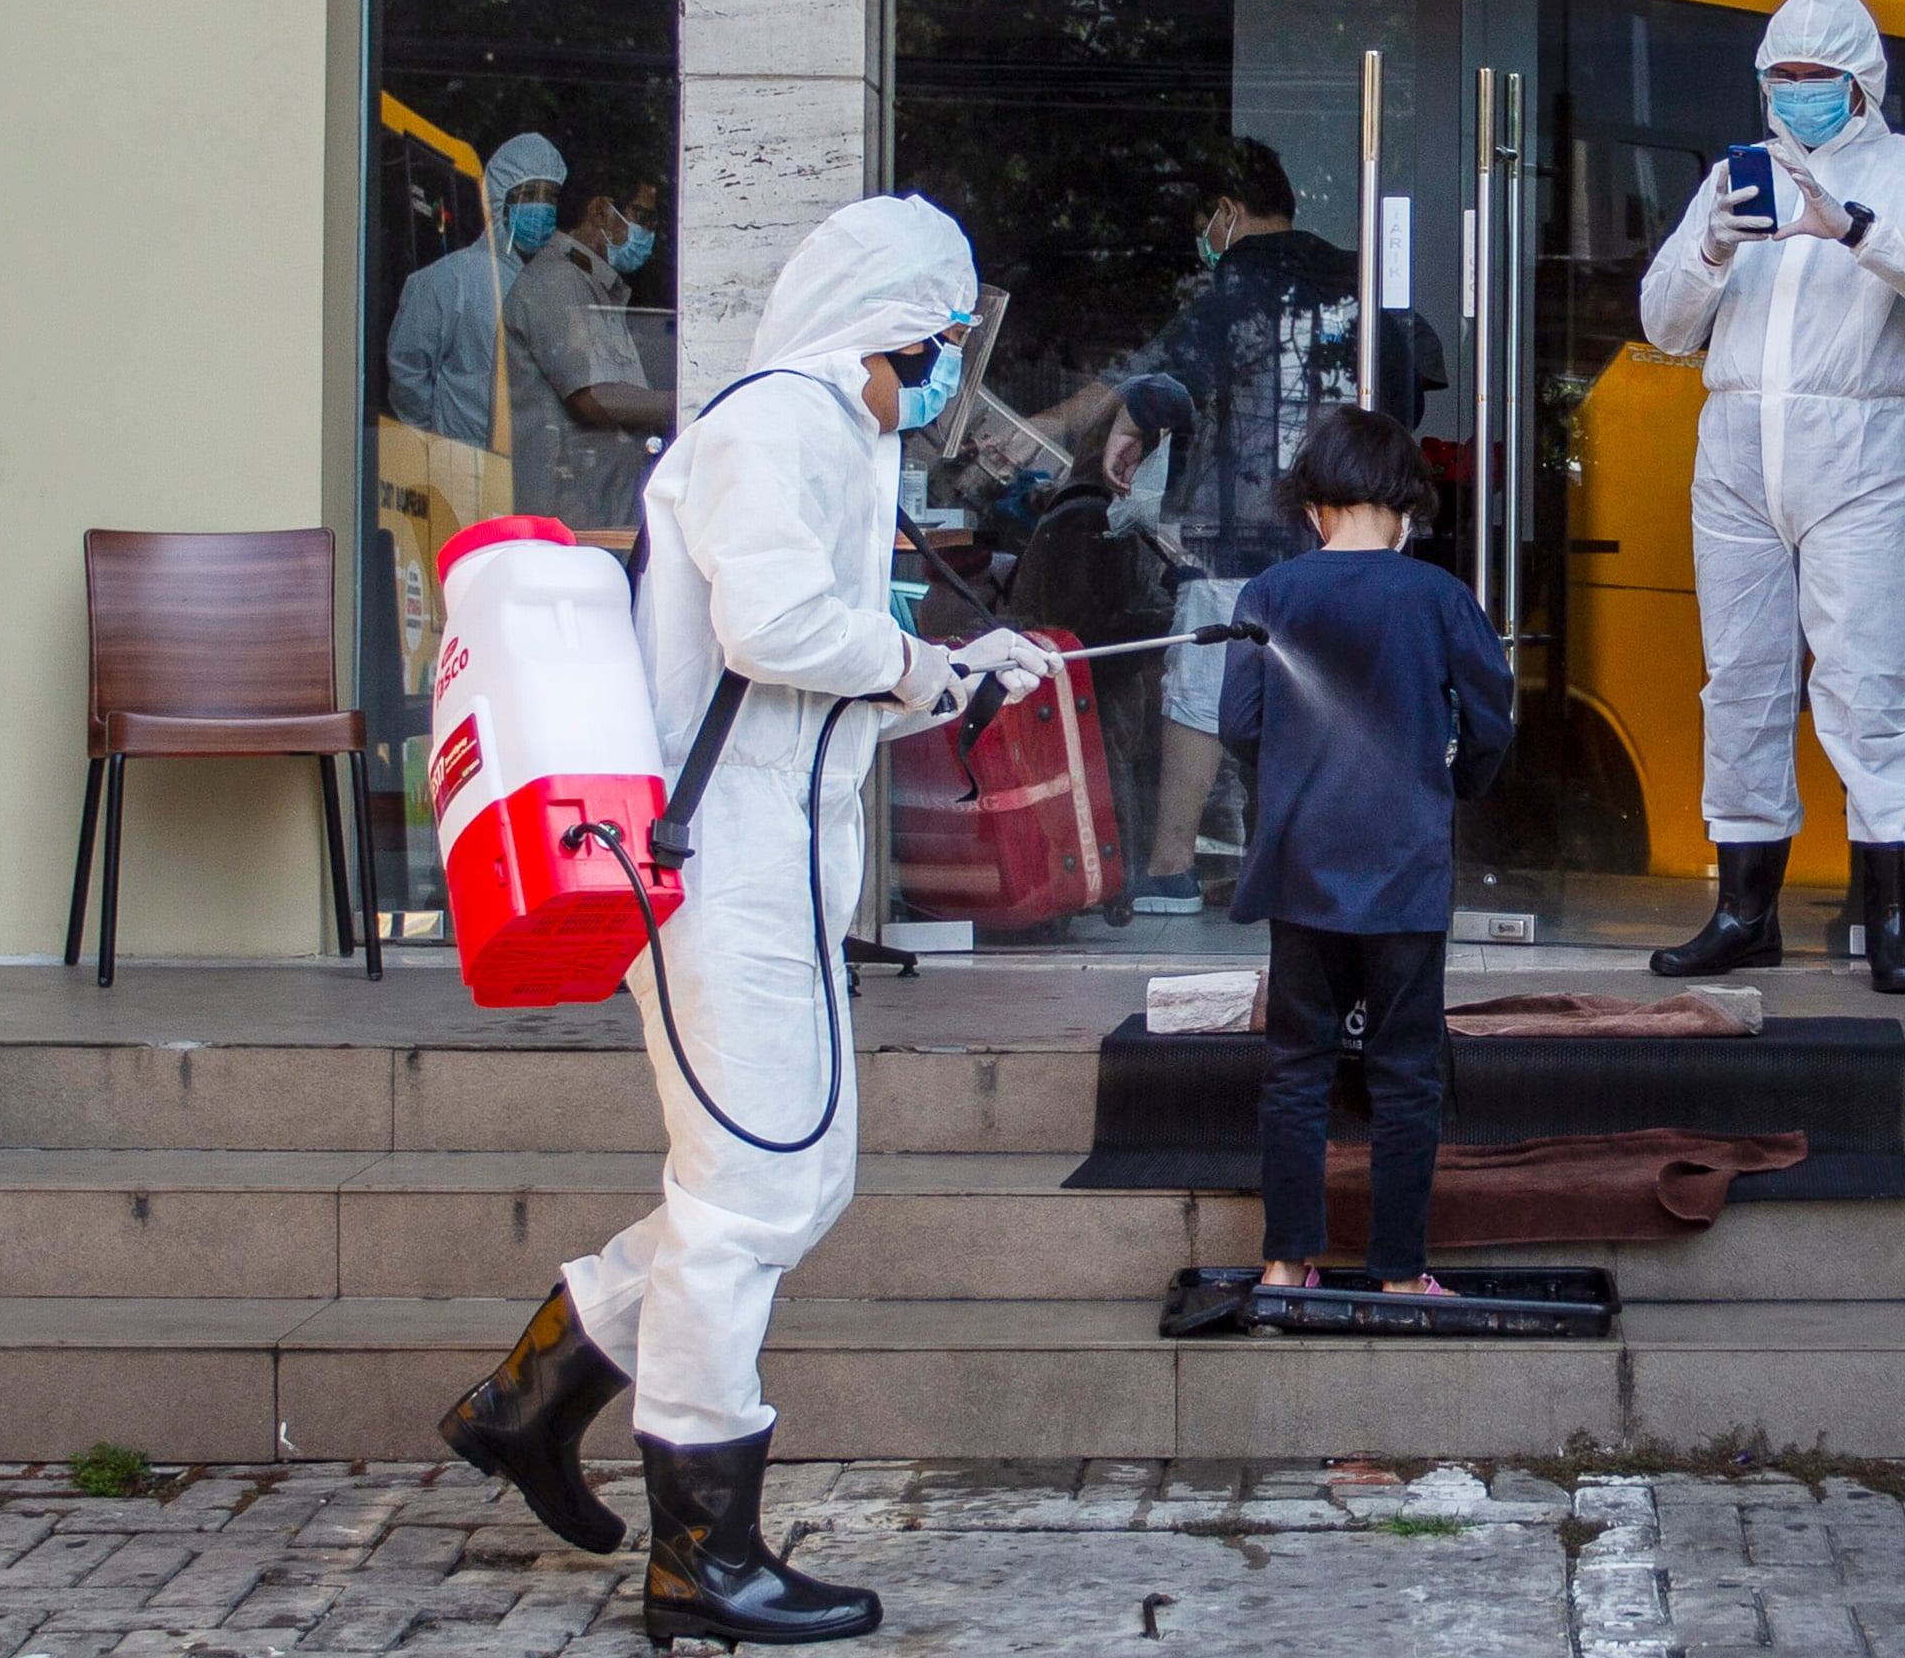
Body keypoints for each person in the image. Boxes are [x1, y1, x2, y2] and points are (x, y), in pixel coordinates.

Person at [438, 195, 1060, 1648]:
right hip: (723, 872)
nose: (944, 363)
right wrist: (922, 667)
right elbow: (772, 631)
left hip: (763, 859)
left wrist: (947, 672)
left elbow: (806, 670)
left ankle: (533, 1402)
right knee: (751, 1197)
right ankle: (698, 1561)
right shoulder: (779, 423)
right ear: (880, 323)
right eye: (939, 335)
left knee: (782, 1179)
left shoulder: (817, 434)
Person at [1639, 0, 1905, 995]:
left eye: (1813, 76)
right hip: (1735, 450)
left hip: (1860, 445)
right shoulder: (1731, 177)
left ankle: (1891, 918)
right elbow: (1663, 324)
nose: (1793, 91)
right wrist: (1711, 242)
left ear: (1859, 81)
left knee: (1866, 686)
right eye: (1779, 75)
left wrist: (1851, 227)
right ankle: (1742, 910)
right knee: (1739, 683)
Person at [1100, 135, 1446, 915]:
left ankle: (1169, 868)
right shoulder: (1362, 280)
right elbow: (1411, 391)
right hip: (1357, 526)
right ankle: (1324, 860)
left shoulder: (1234, 284)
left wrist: (1128, 420)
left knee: (1202, 683)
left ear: (1223, 214)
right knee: (1341, 693)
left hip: (1242, 524)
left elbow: (1171, 380)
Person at [1221, 405, 1513, 1300]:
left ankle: (1284, 1260)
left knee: (1296, 1070)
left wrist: (1286, 791)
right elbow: (1492, 718)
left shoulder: (1270, 594)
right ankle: (1395, 1272)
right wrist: (1454, 786)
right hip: (1404, 874)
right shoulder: (1437, 597)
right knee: (1404, 1074)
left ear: (1313, 504)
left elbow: (1239, 724)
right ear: (1406, 508)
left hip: (1302, 870)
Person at [503, 165, 671, 528]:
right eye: (642, 216)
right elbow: (590, 397)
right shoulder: (557, 282)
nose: (649, 232)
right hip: (567, 516)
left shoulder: (593, 285)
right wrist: (683, 403)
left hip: (602, 509)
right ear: (599, 211)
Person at [388, 132, 567, 447]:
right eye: (529, 193)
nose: (541, 206)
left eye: (549, 196)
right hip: (460, 470)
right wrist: (435, 446)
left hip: (530, 472)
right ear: (500, 199)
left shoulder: (552, 287)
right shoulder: (448, 280)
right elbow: (408, 373)